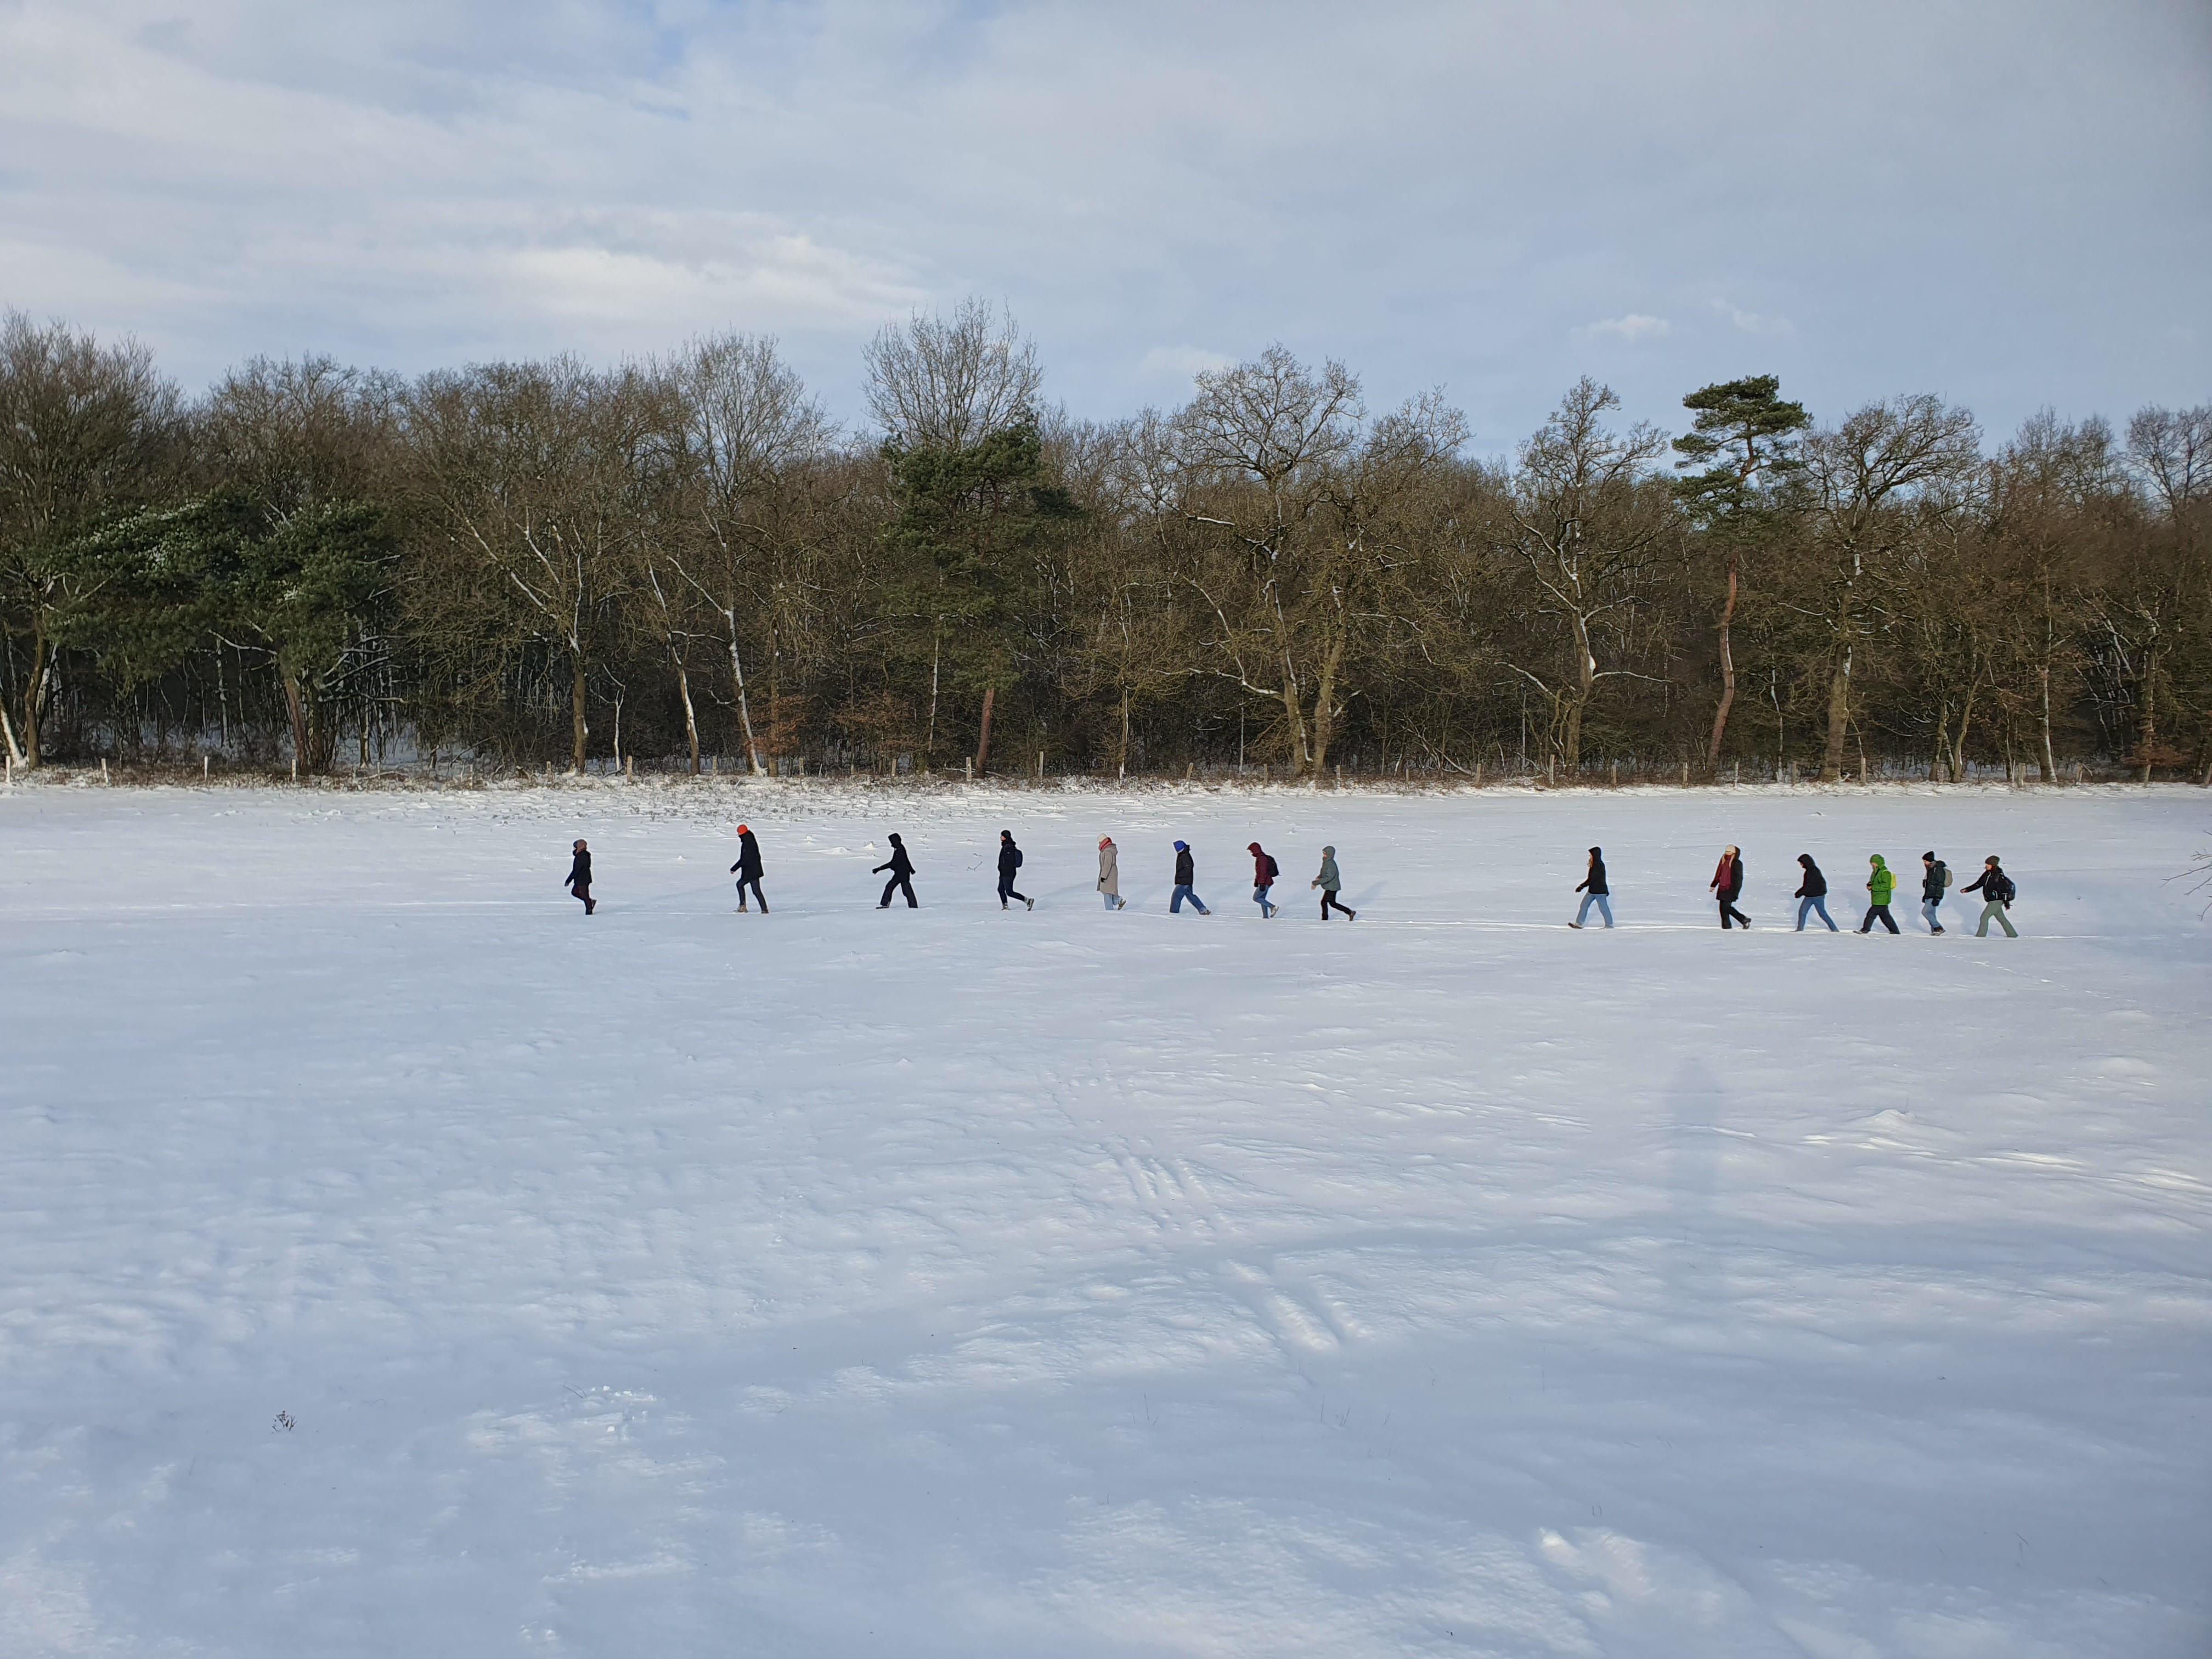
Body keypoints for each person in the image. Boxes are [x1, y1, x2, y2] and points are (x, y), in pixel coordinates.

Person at [1961, 855, 2018, 938]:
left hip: (1996, 900)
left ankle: (1981, 936)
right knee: (2002, 919)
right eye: (1986, 864)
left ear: (1993, 865)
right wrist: (1967, 890)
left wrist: (2007, 903)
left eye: (1988, 864)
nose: (1986, 866)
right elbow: (1978, 884)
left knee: (1984, 917)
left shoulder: (1998, 875)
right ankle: (2013, 935)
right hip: (1992, 900)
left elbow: (2004, 890)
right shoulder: (1987, 874)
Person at [1570, 845, 1611, 929]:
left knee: (1603, 908)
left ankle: (1609, 925)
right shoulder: (1594, 865)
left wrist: (1582, 886)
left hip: (1600, 892)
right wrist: (1583, 886)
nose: (1590, 856)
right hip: (1592, 891)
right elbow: (1591, 880)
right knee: (1584, 905)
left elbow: (1592, 879)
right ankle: (1579, 924)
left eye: (1591, 855)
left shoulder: (1598, 865)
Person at [729, 822, 767, 913]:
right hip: (754, 871)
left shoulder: (747, 844)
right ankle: (764, 909)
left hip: (750, 872)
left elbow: (744, 860)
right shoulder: (751, 839)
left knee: (742, 886)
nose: (738, 835)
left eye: (739, 833)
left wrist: (734, 868)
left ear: (741, 833)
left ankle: (744, 907)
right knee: (755, 890)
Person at [873, 833, 917, 909]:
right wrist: (911, 869)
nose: (891, 844)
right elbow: (906, 860)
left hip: (902, 874)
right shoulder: (900, 848)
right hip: (902, 873)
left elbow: (893, 863)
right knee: (904, 890)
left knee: (896, 888)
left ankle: (885, 904)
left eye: (892, 842)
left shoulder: (899, 849)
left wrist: (879, 869)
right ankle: (913, 906)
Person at [1793, 854, 1837, 931]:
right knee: (1802, 912)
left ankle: (1835, 929)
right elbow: (1808, 887)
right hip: (1809, 896)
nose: (1801, 865)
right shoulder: (1809, 871)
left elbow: (1809, 886)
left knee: (1822, 914)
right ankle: (1800, 930)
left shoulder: (1813, 871)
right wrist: (1801, 893)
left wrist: (1799, 893)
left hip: (1817, 896)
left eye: (1801, 863)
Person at [1710, 845, 1750, 929]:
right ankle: (1727, 928)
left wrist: (1736, 892)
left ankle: (1743, 919)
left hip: (1731, 888)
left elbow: (1739, 879)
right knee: (1723, 909)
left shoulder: (1737, 863)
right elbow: (1719, 873)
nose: (1727, 853)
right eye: (1726, 851)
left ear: (1734, 853)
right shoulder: (1723, 861)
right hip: (1722, 888)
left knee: (1726, 908)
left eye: (1730, 852)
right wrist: (1714, 885)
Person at [1313, 845, 1356, 920]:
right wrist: (1320, 877)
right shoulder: (1326, 862)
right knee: (1333, 903)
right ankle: (1350, 912)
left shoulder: (1331, 865)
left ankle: (1325, 919)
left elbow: (1329, 877)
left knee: (1324, 902)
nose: (1324, 855)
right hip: (1331, 886)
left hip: (1332, 887)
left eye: (1325, 854)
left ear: (1330, 855)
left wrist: (1316, 883)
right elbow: (1324, 872)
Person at [1859, 854, 1900, 933]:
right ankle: (1895, 931)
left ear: (1878, 862)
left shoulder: (1885, 873)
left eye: (1873, 863)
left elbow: (1886, 886)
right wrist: (1870, 885)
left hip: (1882, 898)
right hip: (1877, 898)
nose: (1872, 864)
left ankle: (1865, 929)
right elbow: (1875, 881)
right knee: (1885, 917)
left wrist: (1873, 887)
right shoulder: (1876, 871)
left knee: (1871, 914)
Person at [1170, 841, 1211, 915]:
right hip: (1187, 880)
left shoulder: (1184, 856)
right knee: (1190, 896)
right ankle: (1203, 910)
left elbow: (1188, 868)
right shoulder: (1183, 854)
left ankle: (1174, 913)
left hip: (1184, 881)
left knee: (1176, 896)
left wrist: (1180, 875)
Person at [997, 830, 1033, 911]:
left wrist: (1005, 869)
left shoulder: (1008, 847)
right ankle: (1005, 906)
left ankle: (1027, 901)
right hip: (1004, 872)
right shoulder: (1007, 845)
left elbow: (1009, 861)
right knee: (1001, 889)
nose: (1000, 837)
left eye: (1002, 836)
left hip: (1008, 873)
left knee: (1009, 892)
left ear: (1005, 837)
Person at [1918, 850, 1950, 934]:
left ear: (1930, 861)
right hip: (1929, 895)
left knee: (1925, 912)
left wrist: (1937, 897)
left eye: (1925, 861)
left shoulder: (1938, 869)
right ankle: (1935, 931)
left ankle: (1938, 928)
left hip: (1935, 895)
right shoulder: (1931, 869)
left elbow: (1940, 885)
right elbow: (1929, 884)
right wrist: (1926, 896)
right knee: (1931, 913)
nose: (1924, 863)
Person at [1246, 841, 1280, 917]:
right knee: (1262, 899)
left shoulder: (1262, 859)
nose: (1251, 853)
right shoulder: (1261, 858)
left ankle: (1273, 907)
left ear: (1255, 850)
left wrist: (1261, 883)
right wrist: (1257, 882)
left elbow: (1263, 872)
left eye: (1251, 851)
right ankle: (1265, 917)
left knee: (1256, 898)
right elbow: (1259, 873)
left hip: (1265, 882)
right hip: (1266, 882)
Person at [565, 838, 595, 915]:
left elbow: (577, 870)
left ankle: (589, 911)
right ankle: (590, 902)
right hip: (581, 878)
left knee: (585, 895)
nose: (574, 849)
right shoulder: (582, 855)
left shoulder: (581, 856)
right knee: (575, 892)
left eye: (575, 847)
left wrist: (569, 880)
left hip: (583, 879)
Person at [1097, 836, 1126, 910]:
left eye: (1100, 842)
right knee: (1108, 891)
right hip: (1110, 872)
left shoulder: (1108, 852)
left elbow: (1107, 865)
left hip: (1109, 873)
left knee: (1106, 892)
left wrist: (1103, 876)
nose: (1099, 843)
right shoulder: (1107, 850)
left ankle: (1109, 911)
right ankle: (1119, 900)